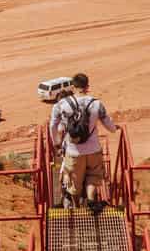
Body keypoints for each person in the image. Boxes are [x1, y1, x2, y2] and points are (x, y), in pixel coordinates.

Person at [48, 72, 120, 210]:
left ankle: (76, 207)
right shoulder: (97, 103)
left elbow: (53, 126)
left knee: (74, 183)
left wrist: (57, 144)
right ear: (87, 86)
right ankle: (91, 201)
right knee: (93, 176)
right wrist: (114, 129)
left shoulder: (61, 104)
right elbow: (109, 125)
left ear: (73, 87)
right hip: (94, 149)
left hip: (73, 151)